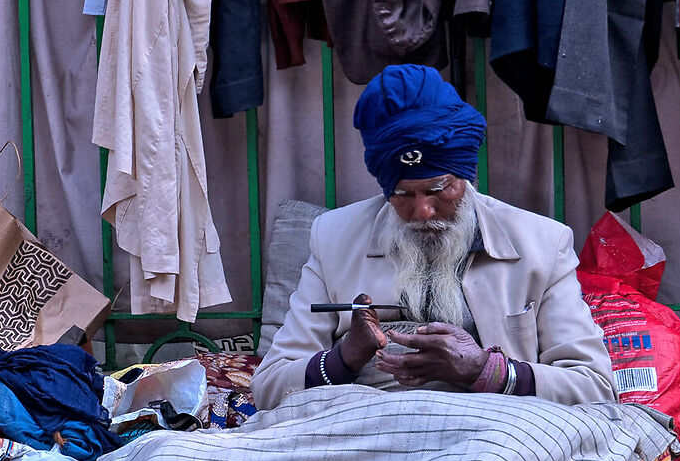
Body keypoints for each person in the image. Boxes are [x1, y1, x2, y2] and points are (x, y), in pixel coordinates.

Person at [254, 65, 618, 410]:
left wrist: (484, 370)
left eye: (439, 190)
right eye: (401, 194)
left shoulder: (542, 243)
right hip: (364, 434)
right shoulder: (333, 237)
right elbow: (268, 387)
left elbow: (594, 387)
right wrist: (344, 357)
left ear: (465, 177)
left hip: (493, 435)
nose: (423, 211)